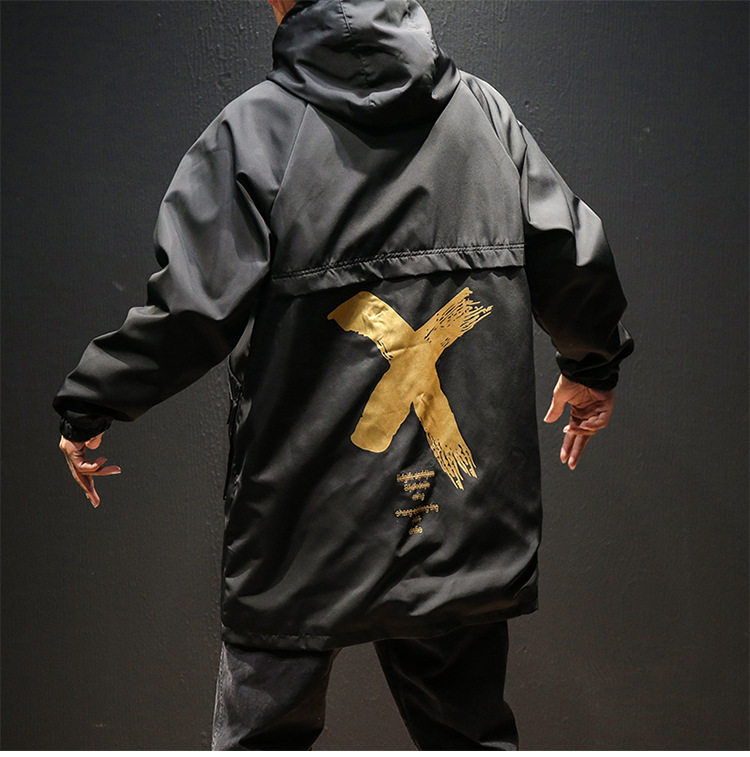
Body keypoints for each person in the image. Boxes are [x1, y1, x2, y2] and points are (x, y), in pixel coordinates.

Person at [55, 0, 634, 749]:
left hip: (305, 526)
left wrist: (93, 401)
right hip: (456, 518)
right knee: (470, 737)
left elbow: (189, 314)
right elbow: (573, 256)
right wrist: (593, 366)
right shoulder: (484, 115)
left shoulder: (254, 134)